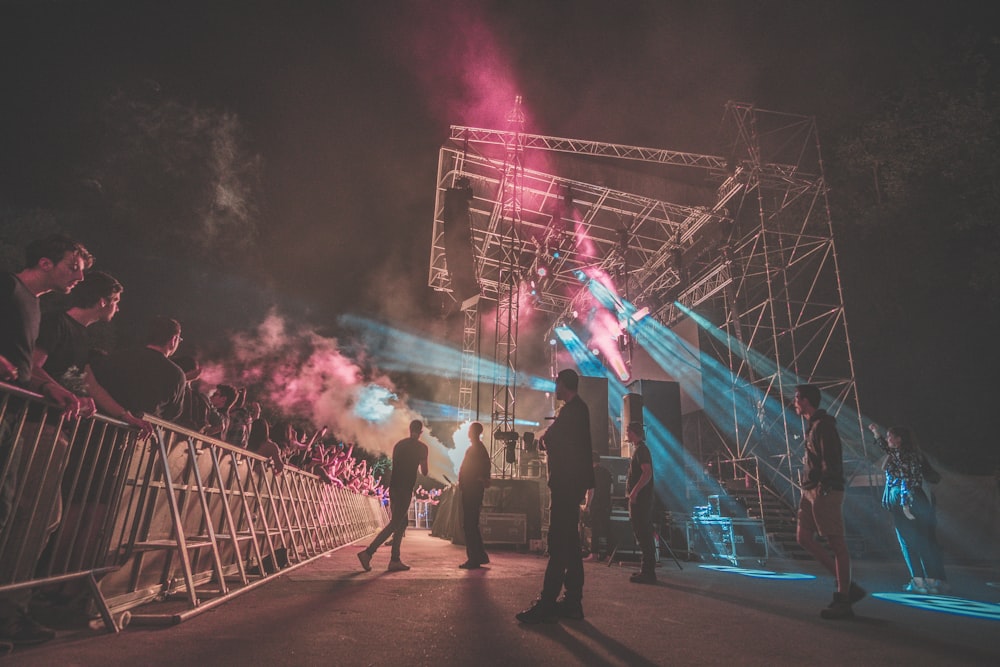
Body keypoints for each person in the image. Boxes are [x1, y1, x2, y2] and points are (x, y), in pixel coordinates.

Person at [0, 234, 91, 646]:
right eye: (73, 265)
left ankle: (10, 617)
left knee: (19, 514)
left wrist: (47, 387)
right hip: (5, 412)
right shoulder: (8, 286)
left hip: (13, 415)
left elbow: (23, 364)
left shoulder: (34, 304)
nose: (79, 275)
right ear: (44, 261)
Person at [32, 270, 152, 437]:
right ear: (102, 302)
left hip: (54, 422)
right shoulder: (56, 322)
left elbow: (89, 383)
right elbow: (32, 365)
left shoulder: (82, 334)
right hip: (32, 419)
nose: (117, 309)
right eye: (115, 301)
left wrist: (126, 416)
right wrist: (68, 395)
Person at [516, 369, 594, 624]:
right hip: (571, 487)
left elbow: (551, 439)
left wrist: (543, 439)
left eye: (557, 384)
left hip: (565, 487)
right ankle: (572, 602)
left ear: (564, 385)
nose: (555, 389)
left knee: (559, 544)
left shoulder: (572, 411)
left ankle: (547, 602)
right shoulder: (578, 410)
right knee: (570, 546)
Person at [793, 384, 865, 619]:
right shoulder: (813, 425)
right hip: (810, 490)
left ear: (805, 401)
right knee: (803, 538)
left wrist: (826, 483)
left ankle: (843, 598)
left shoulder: (824, 425)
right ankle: (845, 583)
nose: (794, 402)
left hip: (825, 489)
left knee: (837, 544)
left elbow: (832, 458)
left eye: (797, 398)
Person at [869, 424, 949, 594]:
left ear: (899, 440)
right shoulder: (915, 455)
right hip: (920, 497)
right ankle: (932, 580)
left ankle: (918, 581)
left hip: (903, 498)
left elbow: (883, 446)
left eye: (891, 436)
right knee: (924, 540)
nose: (888, 438)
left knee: (906, 540)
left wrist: (876, 433)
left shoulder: (897, 454)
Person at [357, 419, 428, 572]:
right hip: (405, 488)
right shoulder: (422, 448)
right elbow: (425, 471)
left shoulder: (399, 445)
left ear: (409, 429)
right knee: (395, 523)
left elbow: (396, 464)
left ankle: (395, 560)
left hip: (394, 486)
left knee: (401, 523)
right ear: (421, 432)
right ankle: (368, 553)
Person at [91, 316, 186, 421]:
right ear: (173, 340)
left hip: (99, 425)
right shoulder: (176, 374)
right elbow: (173, 413)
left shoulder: (118, 356)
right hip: (140, 433)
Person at [625, 422, 656, 583]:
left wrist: (634, 492)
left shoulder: (641, 451)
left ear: (633, 433)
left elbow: (647, 473)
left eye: (627, 431)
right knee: (643, 534)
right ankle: (646, 570)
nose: (625, 434)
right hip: (641, 500)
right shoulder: (639, 450)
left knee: (643, 534)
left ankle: (648, 572)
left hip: (641, 500)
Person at [458, 421, 491, 569]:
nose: (468, 432)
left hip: (472, 491)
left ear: (473, 432)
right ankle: (480, 556)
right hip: (472, 490)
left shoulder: (476, 449)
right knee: (471, 524)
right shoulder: (478, 449)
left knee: (470, 525)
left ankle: (474, 558)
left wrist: (477, 480)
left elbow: (475, 470)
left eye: (470, 430)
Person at [583, 451, 612, 561]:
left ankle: (594, 554)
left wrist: (587, 505)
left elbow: (591, 490)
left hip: (596, 504)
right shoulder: (607, 472)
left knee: (595, 529)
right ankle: (609, 555)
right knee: (607, 529)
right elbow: (611, 490)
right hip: (606, 504)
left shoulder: (591, 473)